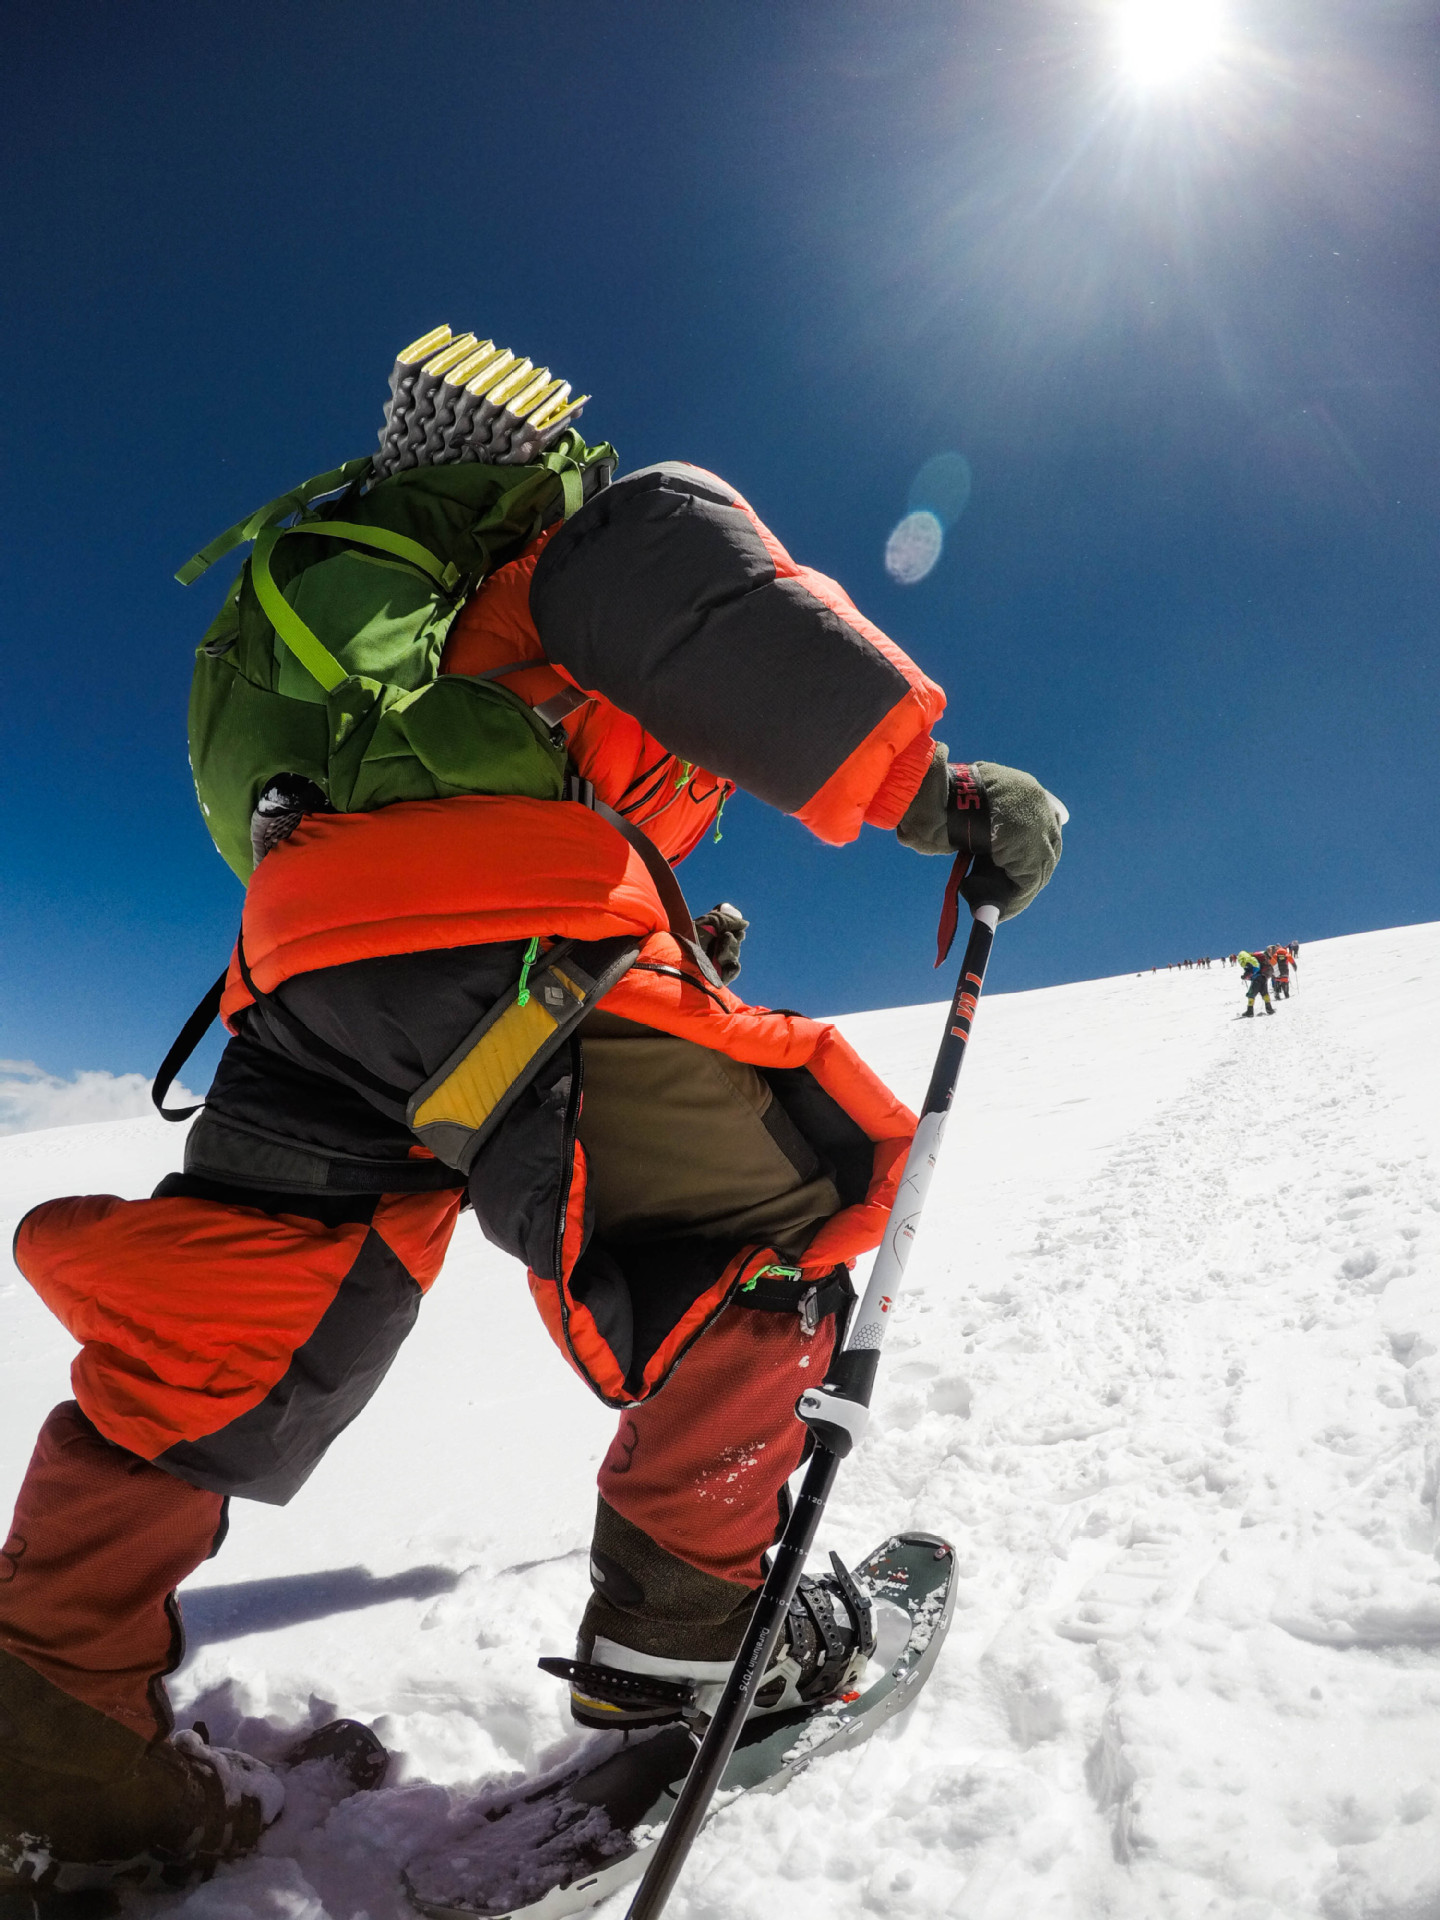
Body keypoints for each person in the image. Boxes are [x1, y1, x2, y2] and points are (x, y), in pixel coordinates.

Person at [0, 448, 1063, 1893]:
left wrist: (671, 934)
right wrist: (939, 793)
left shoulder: (424, 659)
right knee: (755, 1226)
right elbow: (717, 624)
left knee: (220, 1326)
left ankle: (54, 1715)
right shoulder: (617, 527)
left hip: (305, 971)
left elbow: (551, 790)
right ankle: (687, 1667)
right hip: (498, 954)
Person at [1241, 948, 1275, 1016]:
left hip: (1257, 978)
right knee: (1265, 993)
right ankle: (1269, 1009)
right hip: (1264, 977)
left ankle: (1250, 1011)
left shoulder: (1250, 959)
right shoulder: (1259, 958)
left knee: (1251, 994)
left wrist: (1245, 976)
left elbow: (1251, 970)